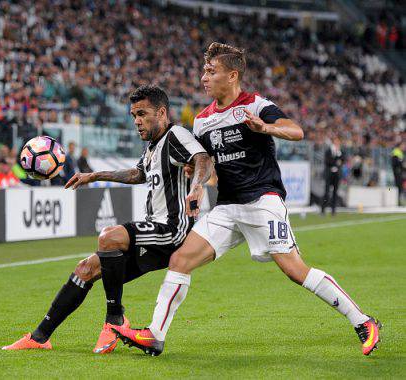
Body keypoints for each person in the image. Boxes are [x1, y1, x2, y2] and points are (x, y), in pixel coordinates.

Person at [113, 42, 381, 357]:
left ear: (233, 75)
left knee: (295, 270)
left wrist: (265, 127)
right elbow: (206, 164)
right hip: (227, 207)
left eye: (211, 71)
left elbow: (295, 131)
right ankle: (155, 336)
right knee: (180, 260)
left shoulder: (254, 105)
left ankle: (363, 321)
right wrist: (197, 179)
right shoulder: (202, 120)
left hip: (262, 201)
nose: (204, 77)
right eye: (204, 71)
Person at [1, 85, 213, 353]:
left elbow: (203, 158)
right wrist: (95, 175)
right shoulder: (152, 147)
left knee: (109, 237)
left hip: (173, 229)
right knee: (85, 269)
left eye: (142, 113)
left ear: (161, 112)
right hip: (155, 231)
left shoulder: (176, 135)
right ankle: (40, 337)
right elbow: (137, 175)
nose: (136, 120)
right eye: (134, 114)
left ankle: (114, 319)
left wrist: (197, 187)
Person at [321, 136, 344, 215]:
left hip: (336, 174)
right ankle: (323, 209)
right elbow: (328, 161)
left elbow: (342, 160)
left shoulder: (340, 151)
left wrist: (337, 157)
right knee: (326, 192)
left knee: (335, 192)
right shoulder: (329, 151)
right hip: (329, 174)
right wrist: (336, 161)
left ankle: (333, 210)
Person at [391, 142, 404, 206]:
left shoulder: (400, 152)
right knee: (398, 187)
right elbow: (395, 163)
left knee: (400, 187)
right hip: (397, 172)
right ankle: (397, 201)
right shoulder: (396, 152)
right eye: (403, 145)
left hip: (399, 172)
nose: (404, 147)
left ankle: (398, 201)